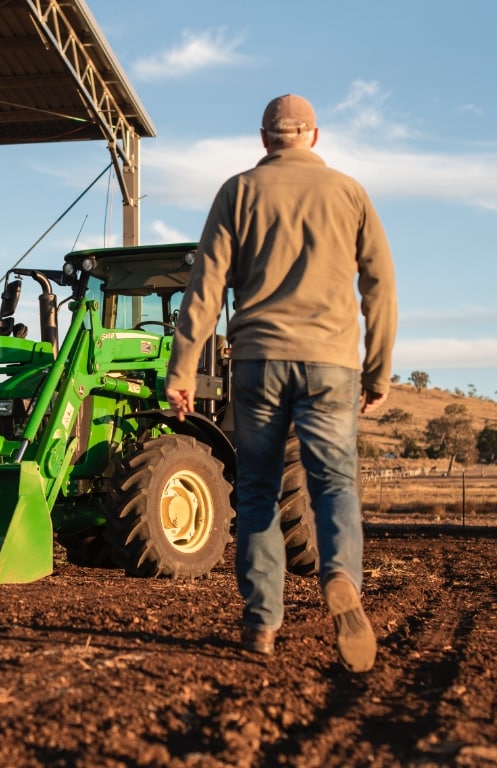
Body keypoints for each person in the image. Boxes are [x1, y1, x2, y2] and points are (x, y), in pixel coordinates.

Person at [164, 94, 397, 673]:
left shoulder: (237, 191)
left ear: (264, 138)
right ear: (314, 137)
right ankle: (340, 573)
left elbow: (205, 288)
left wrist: (183, 370)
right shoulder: (349, 193)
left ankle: (262, 623)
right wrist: (379, 369)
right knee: (335, 483)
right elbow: (380, 287)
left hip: (258, 360)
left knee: (258, 491)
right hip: (332, 363)